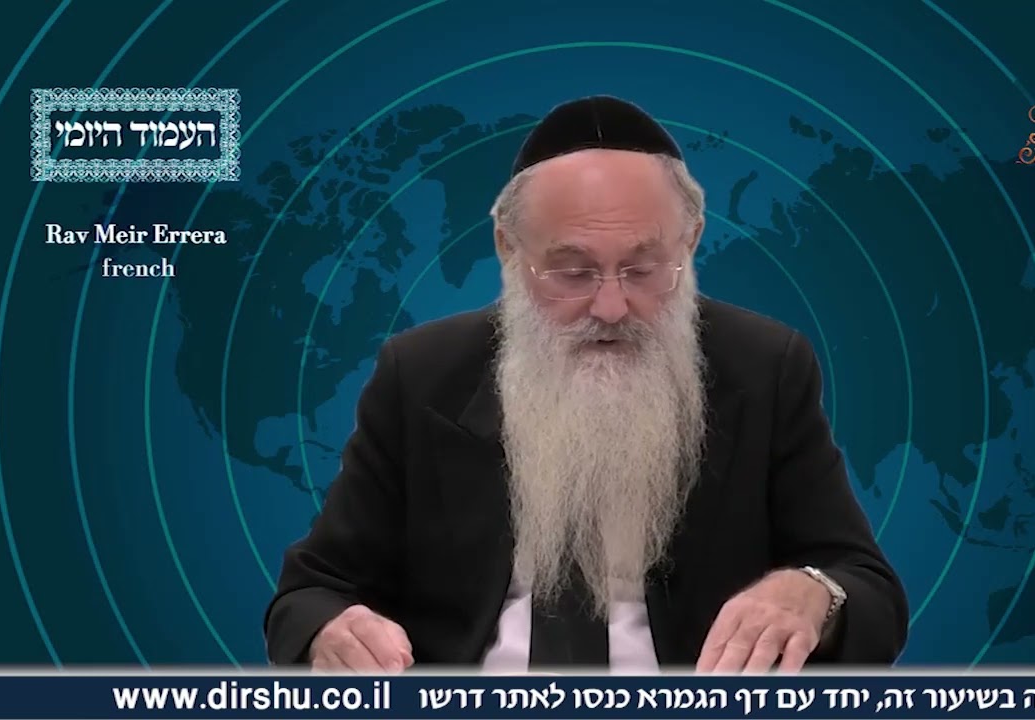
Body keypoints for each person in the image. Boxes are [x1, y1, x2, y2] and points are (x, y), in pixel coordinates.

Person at [264, 95, 908, 673]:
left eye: (643, 269)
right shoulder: (422, 372)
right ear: (508, 249)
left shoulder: (765, 366)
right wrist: (331, 630)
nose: (611, 307)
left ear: (691, 241)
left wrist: (815, 593)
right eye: (572, 273)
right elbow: (311, 590)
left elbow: (868, 587)